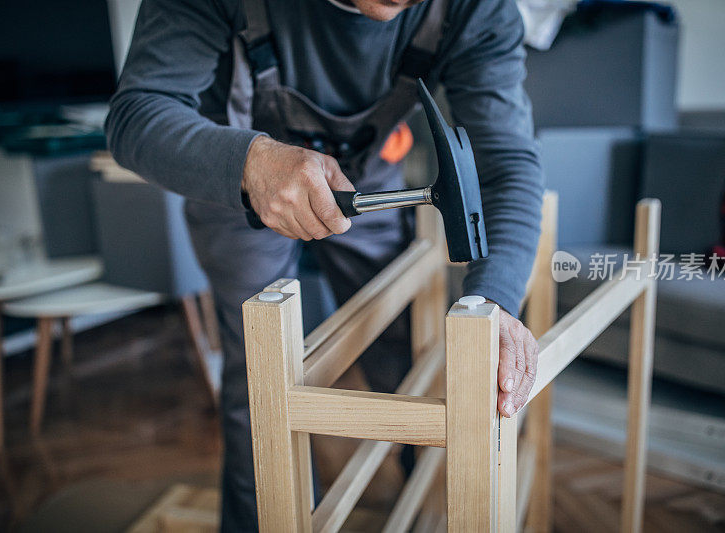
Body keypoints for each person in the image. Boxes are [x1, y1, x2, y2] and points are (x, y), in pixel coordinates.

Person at [106, 0, 543, 529]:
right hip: (234, 176)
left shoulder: (478, 9)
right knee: (260, 385)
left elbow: (508, 164)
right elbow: (136, 116)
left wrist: (493, 296)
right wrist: (251, 162)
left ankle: (430, 507)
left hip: (373, 179)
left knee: (404, 348)